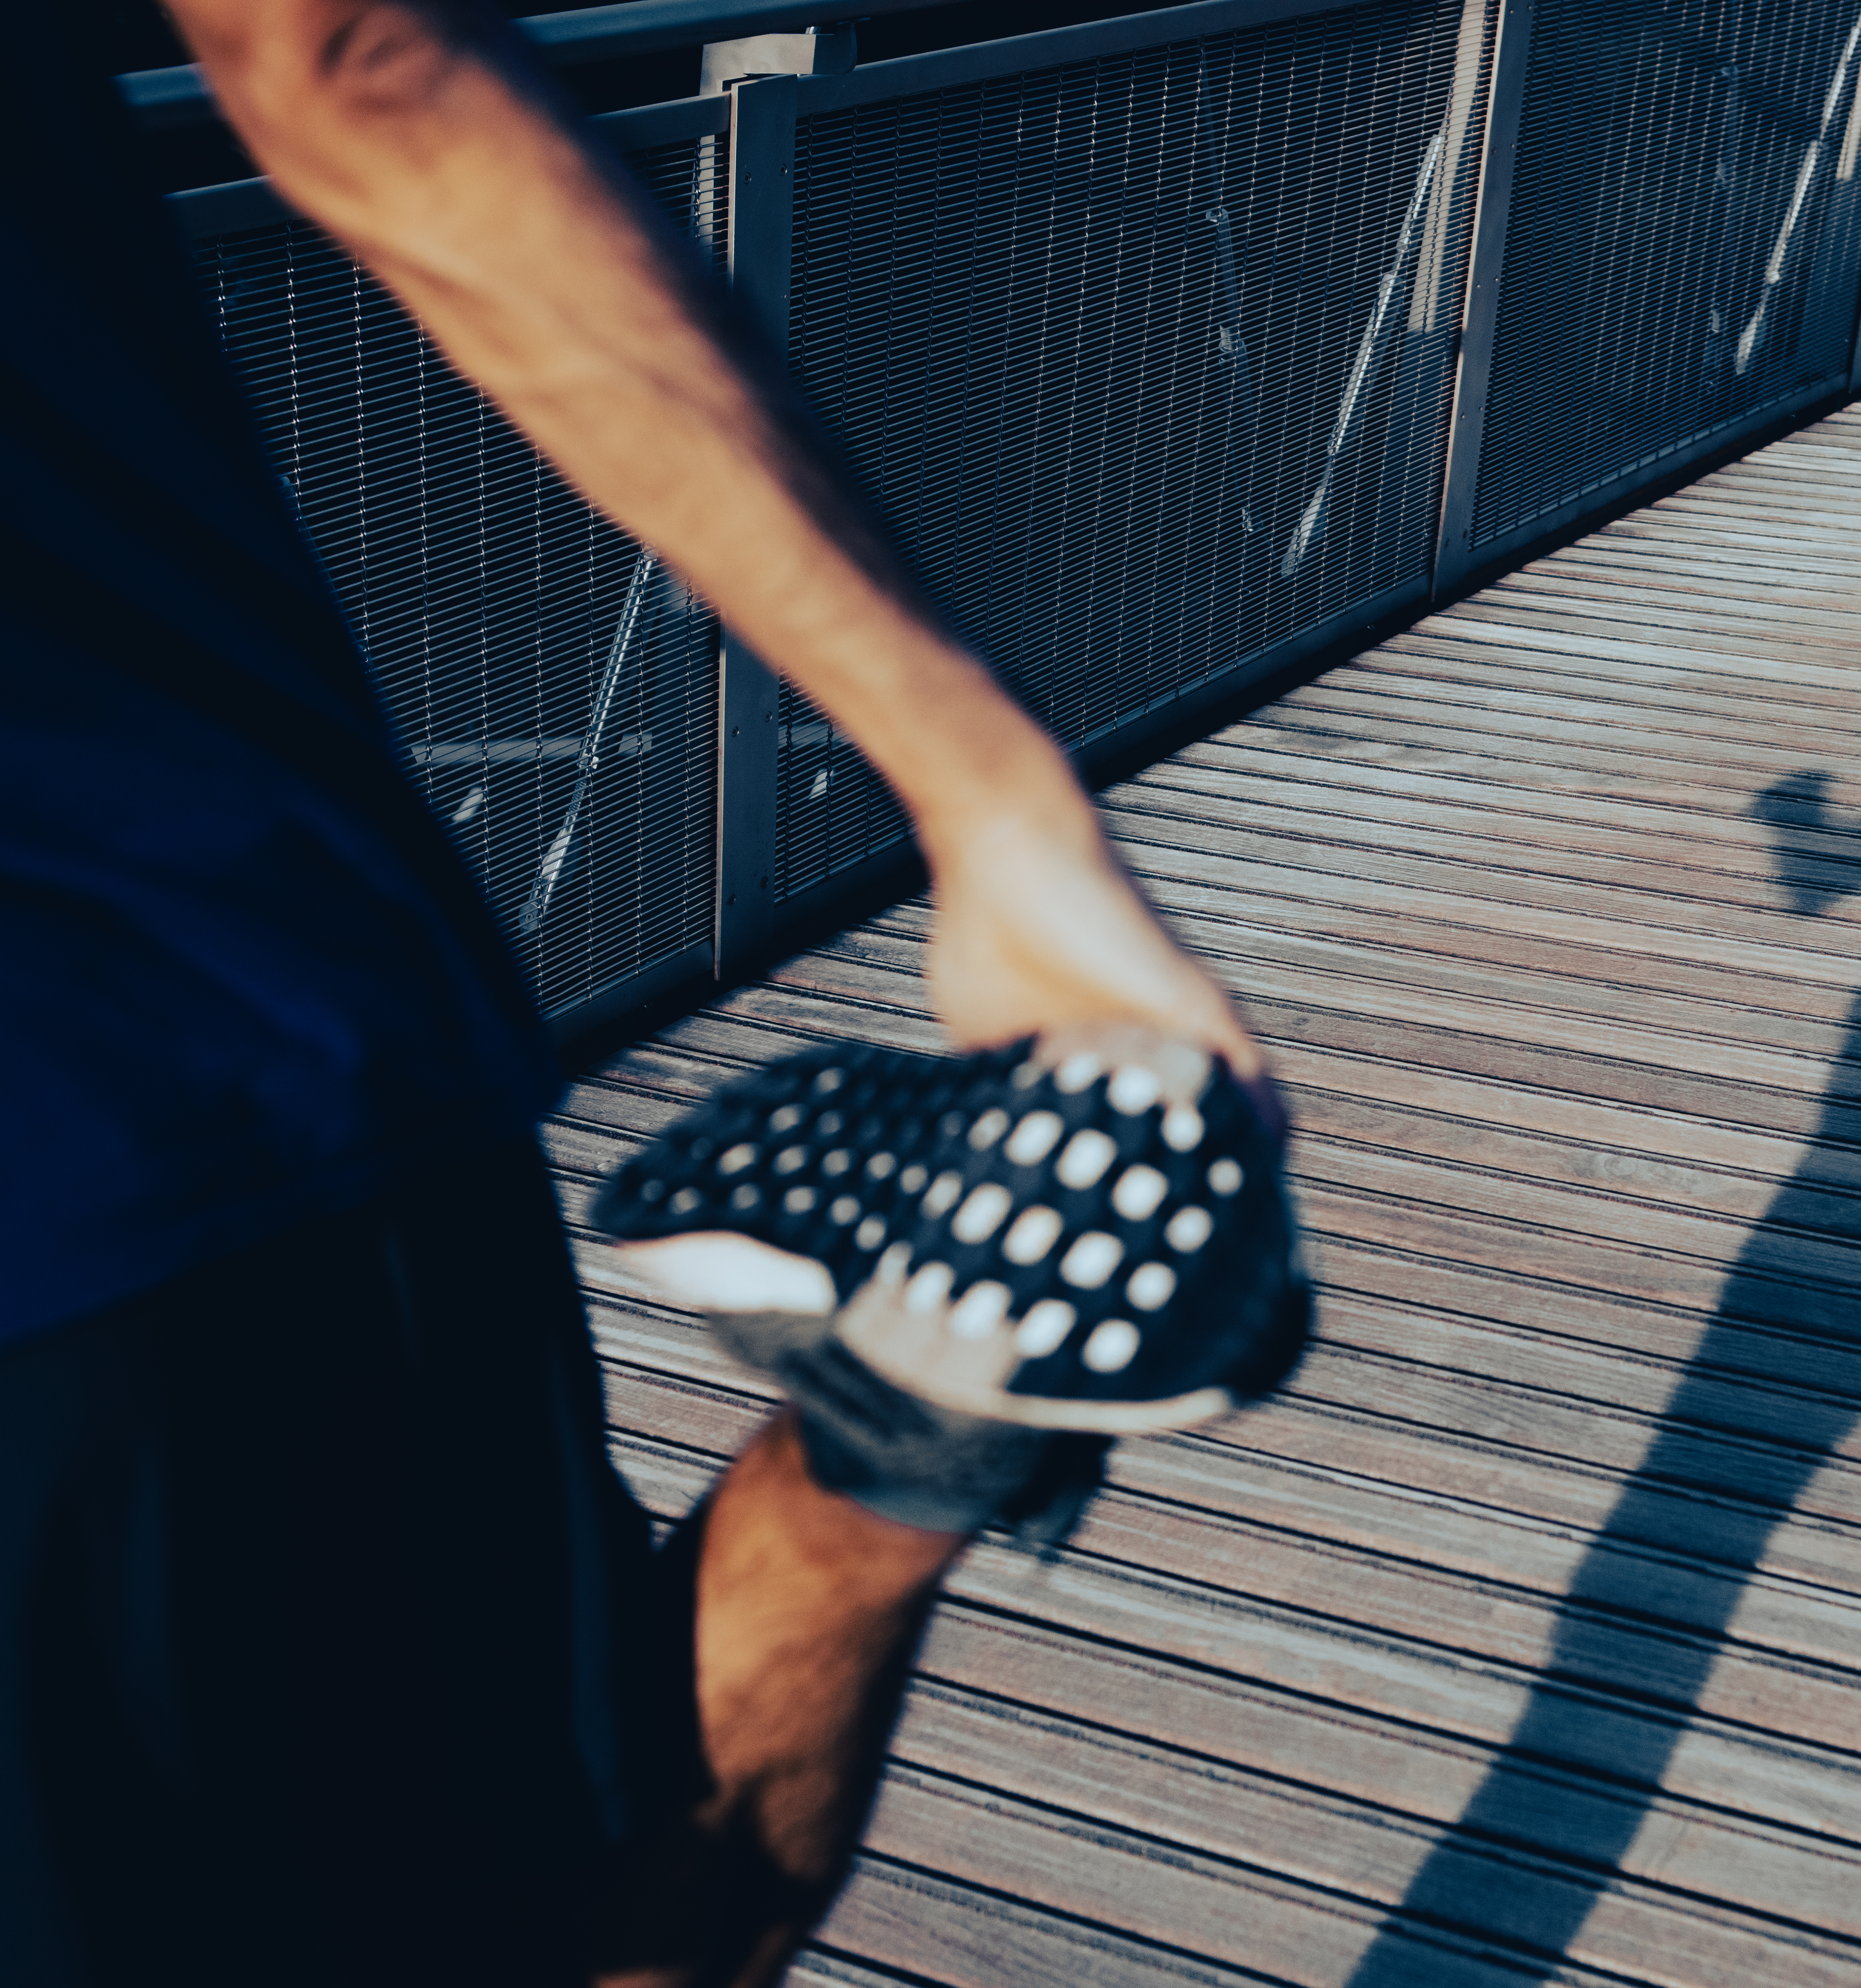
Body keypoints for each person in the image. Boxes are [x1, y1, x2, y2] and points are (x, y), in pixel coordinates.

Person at [0, 4, 1264, 1983]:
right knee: (541, 1878)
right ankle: (891, 1449)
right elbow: (350, 60)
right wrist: (989, 799)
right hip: (251, 1005)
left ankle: (902, 1439)